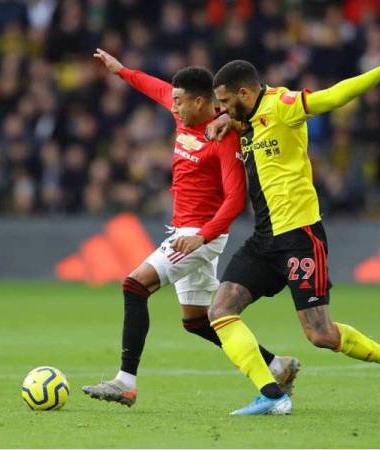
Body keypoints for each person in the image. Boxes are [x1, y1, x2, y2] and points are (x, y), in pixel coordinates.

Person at [205, 47, 380, 416]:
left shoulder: (283, 105)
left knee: (320, 334)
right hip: (263, 239)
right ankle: (272, 395)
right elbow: (234, 121)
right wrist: (226, 121)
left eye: (226, 102)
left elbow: (335, 95)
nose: (223, 109)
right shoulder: (242, 118)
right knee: (220, 310)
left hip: (299, 236)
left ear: (245, 94)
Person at [82, 49, 299, 407]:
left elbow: (234, 200)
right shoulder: (183, 110)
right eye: (175, 101)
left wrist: (203, 236)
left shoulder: (222, 138)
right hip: (185, 232)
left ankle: (125, 382)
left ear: (202, 102)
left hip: (200, 235)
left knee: (134, 285)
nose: (175, 107)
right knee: (197, 320)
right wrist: (121, 70)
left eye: (181, 102)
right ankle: (277, 365)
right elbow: (154, 87)